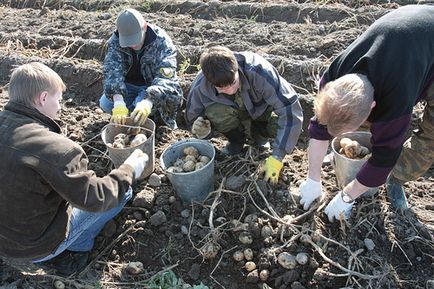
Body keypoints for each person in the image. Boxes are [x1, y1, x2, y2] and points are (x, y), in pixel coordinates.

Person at [0, 62, 148, 276]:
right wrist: (129, 169)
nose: (60, 107)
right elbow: (97, 198)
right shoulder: (59, 150)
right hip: (33, 247)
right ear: (42, 98)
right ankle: (75, 251)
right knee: (122, 192)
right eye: (58, 100)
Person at [298, 5, 434, 222]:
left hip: (425, 49)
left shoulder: (395, 101)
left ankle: (398, 178)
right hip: (406, 28)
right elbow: (319, 126)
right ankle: (353, 159)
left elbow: (384, 157)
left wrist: (346, 196)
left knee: (431, 138)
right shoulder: (334, 74)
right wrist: (313, 178)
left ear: (373, 107)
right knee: (350, 122)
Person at [186, 46, 303, 184]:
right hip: (230, 119)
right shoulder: (200, 87)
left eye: (233, 83)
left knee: (283, 127)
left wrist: (278, 156)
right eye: (222, 88)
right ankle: (236, 142)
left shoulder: (259, 72)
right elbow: (192, 120)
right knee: (215, 111)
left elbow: (289, 108)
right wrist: (204, 131)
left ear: (236, 68)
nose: (230, 90)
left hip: (262, 114)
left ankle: (259, 138)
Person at [100, 8, 183, 129]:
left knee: (139, 106)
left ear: (144, 27)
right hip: (129, 86)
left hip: (151, 86)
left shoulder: (161, 42)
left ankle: (146, 116)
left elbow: (166, 80)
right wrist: (118, 102)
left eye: (136, 39)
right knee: (106, 104)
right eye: (129, 41)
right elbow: (112, 71)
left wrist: (147, 102)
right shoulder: (116, 40)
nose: (133, 45)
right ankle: (131, 115)